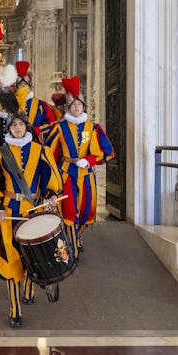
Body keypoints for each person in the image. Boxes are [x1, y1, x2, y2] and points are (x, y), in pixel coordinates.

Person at [0, 89, 62, 328]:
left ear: (27, 127)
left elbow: (50, 178)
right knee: (12, 257)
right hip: (10, 211)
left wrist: (52, 195)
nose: (17, 128)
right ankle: (15, 310)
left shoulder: (40, 151)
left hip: (34, 208)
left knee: (32, 254)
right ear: (9, 128)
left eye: (21, 125)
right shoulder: (0, 154)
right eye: (13, 126)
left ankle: (29, 287)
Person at [44, 76, 114, 259]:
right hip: (67, 174)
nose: (76, 107)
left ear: (83, 106)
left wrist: (89, 160)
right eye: (73, 105)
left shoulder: (92, 127)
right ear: (68, 107)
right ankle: (72, 250)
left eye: (79, 104)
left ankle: (77, 235)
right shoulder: (59, 127)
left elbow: (105, 152)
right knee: (69, 210)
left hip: (86, 175)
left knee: (86, 211)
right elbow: (48, 152)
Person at [12, 61, 59, 136]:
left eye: (25, 84)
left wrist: (36, 130)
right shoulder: (9, 103)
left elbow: (52, 123)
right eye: (20, 84)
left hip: (35, 141)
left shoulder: (40, 104)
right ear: (16, 87)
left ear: (29, 87)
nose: (23, 86)